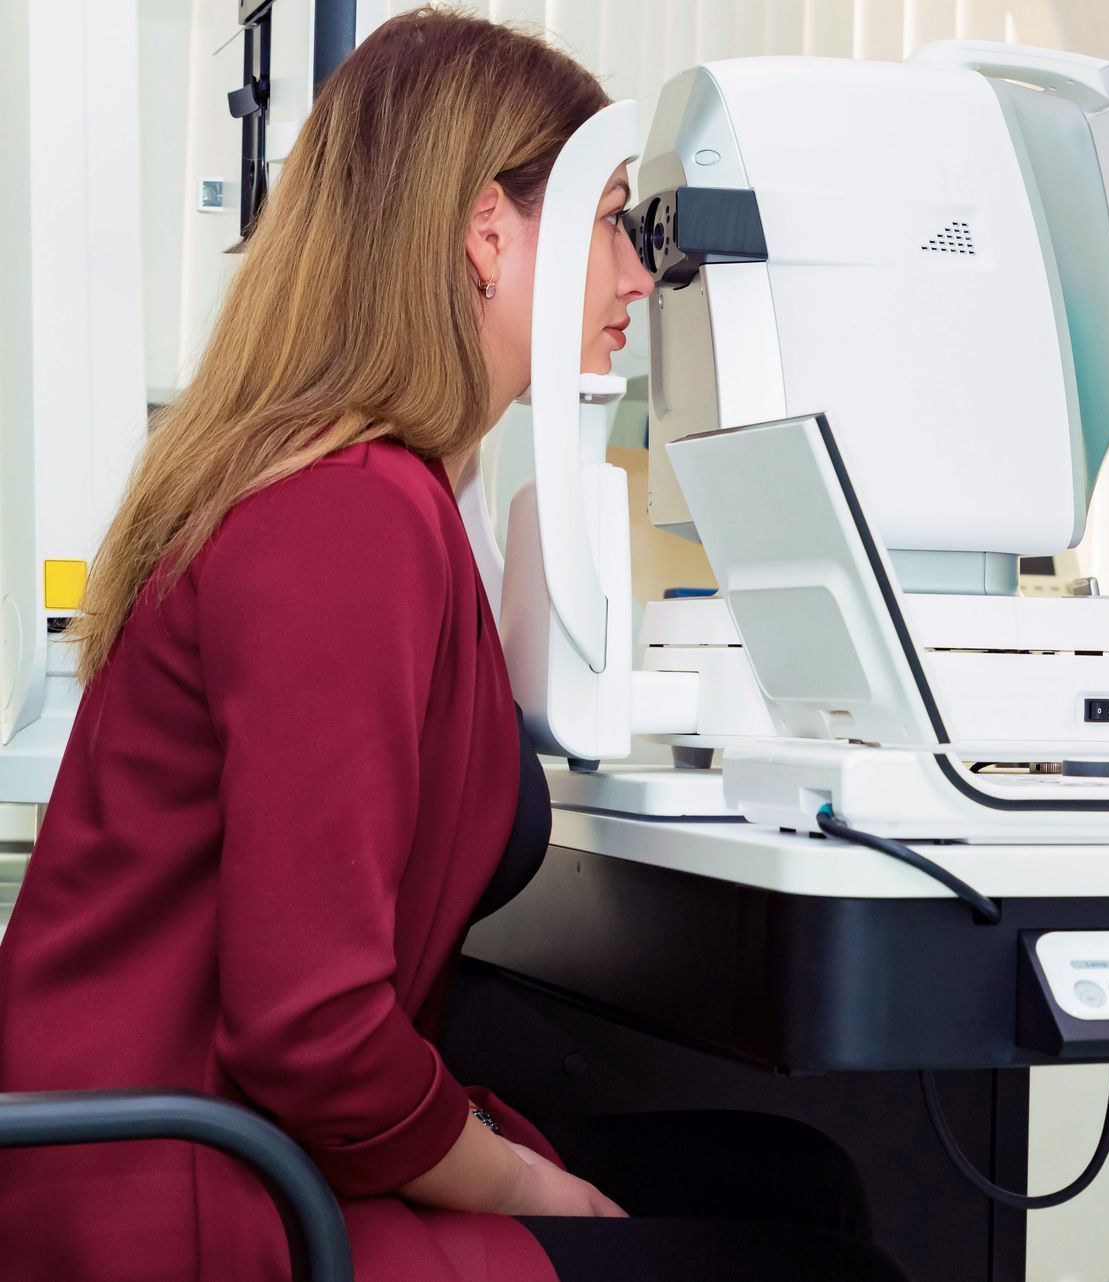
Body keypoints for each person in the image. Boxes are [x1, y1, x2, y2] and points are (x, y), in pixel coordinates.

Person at [0, 11, 907, 1282]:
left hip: (240, 1148)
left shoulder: (383, 490)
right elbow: (309, 1032)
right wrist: (528, 1183)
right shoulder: (342, 515)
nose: (640, 281)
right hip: (205, 1202)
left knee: (796, 1178)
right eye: (611, 225)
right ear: (490, 230)